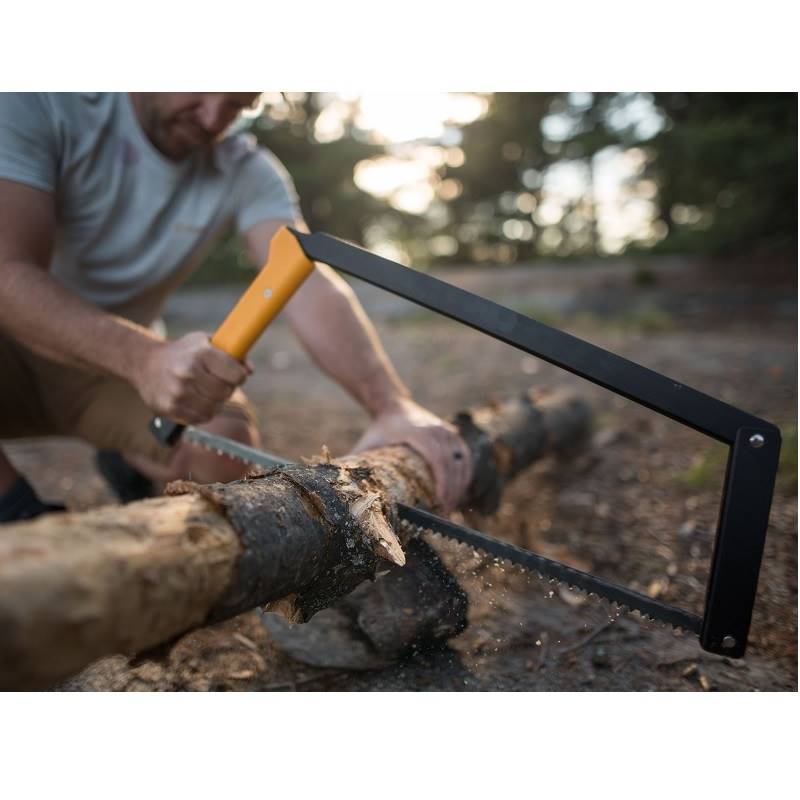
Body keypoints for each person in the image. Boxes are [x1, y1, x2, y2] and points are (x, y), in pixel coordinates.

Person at [0, 92, 472, 523]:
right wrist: (143, 358)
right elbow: (8, 271)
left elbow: (302, 279)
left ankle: (136, 480)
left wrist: (390, 405)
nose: (212, 119)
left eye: (236, 106)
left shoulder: (245, 169)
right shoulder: (36, 103)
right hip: (25, 348)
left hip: (111, 369)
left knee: (221, 444)